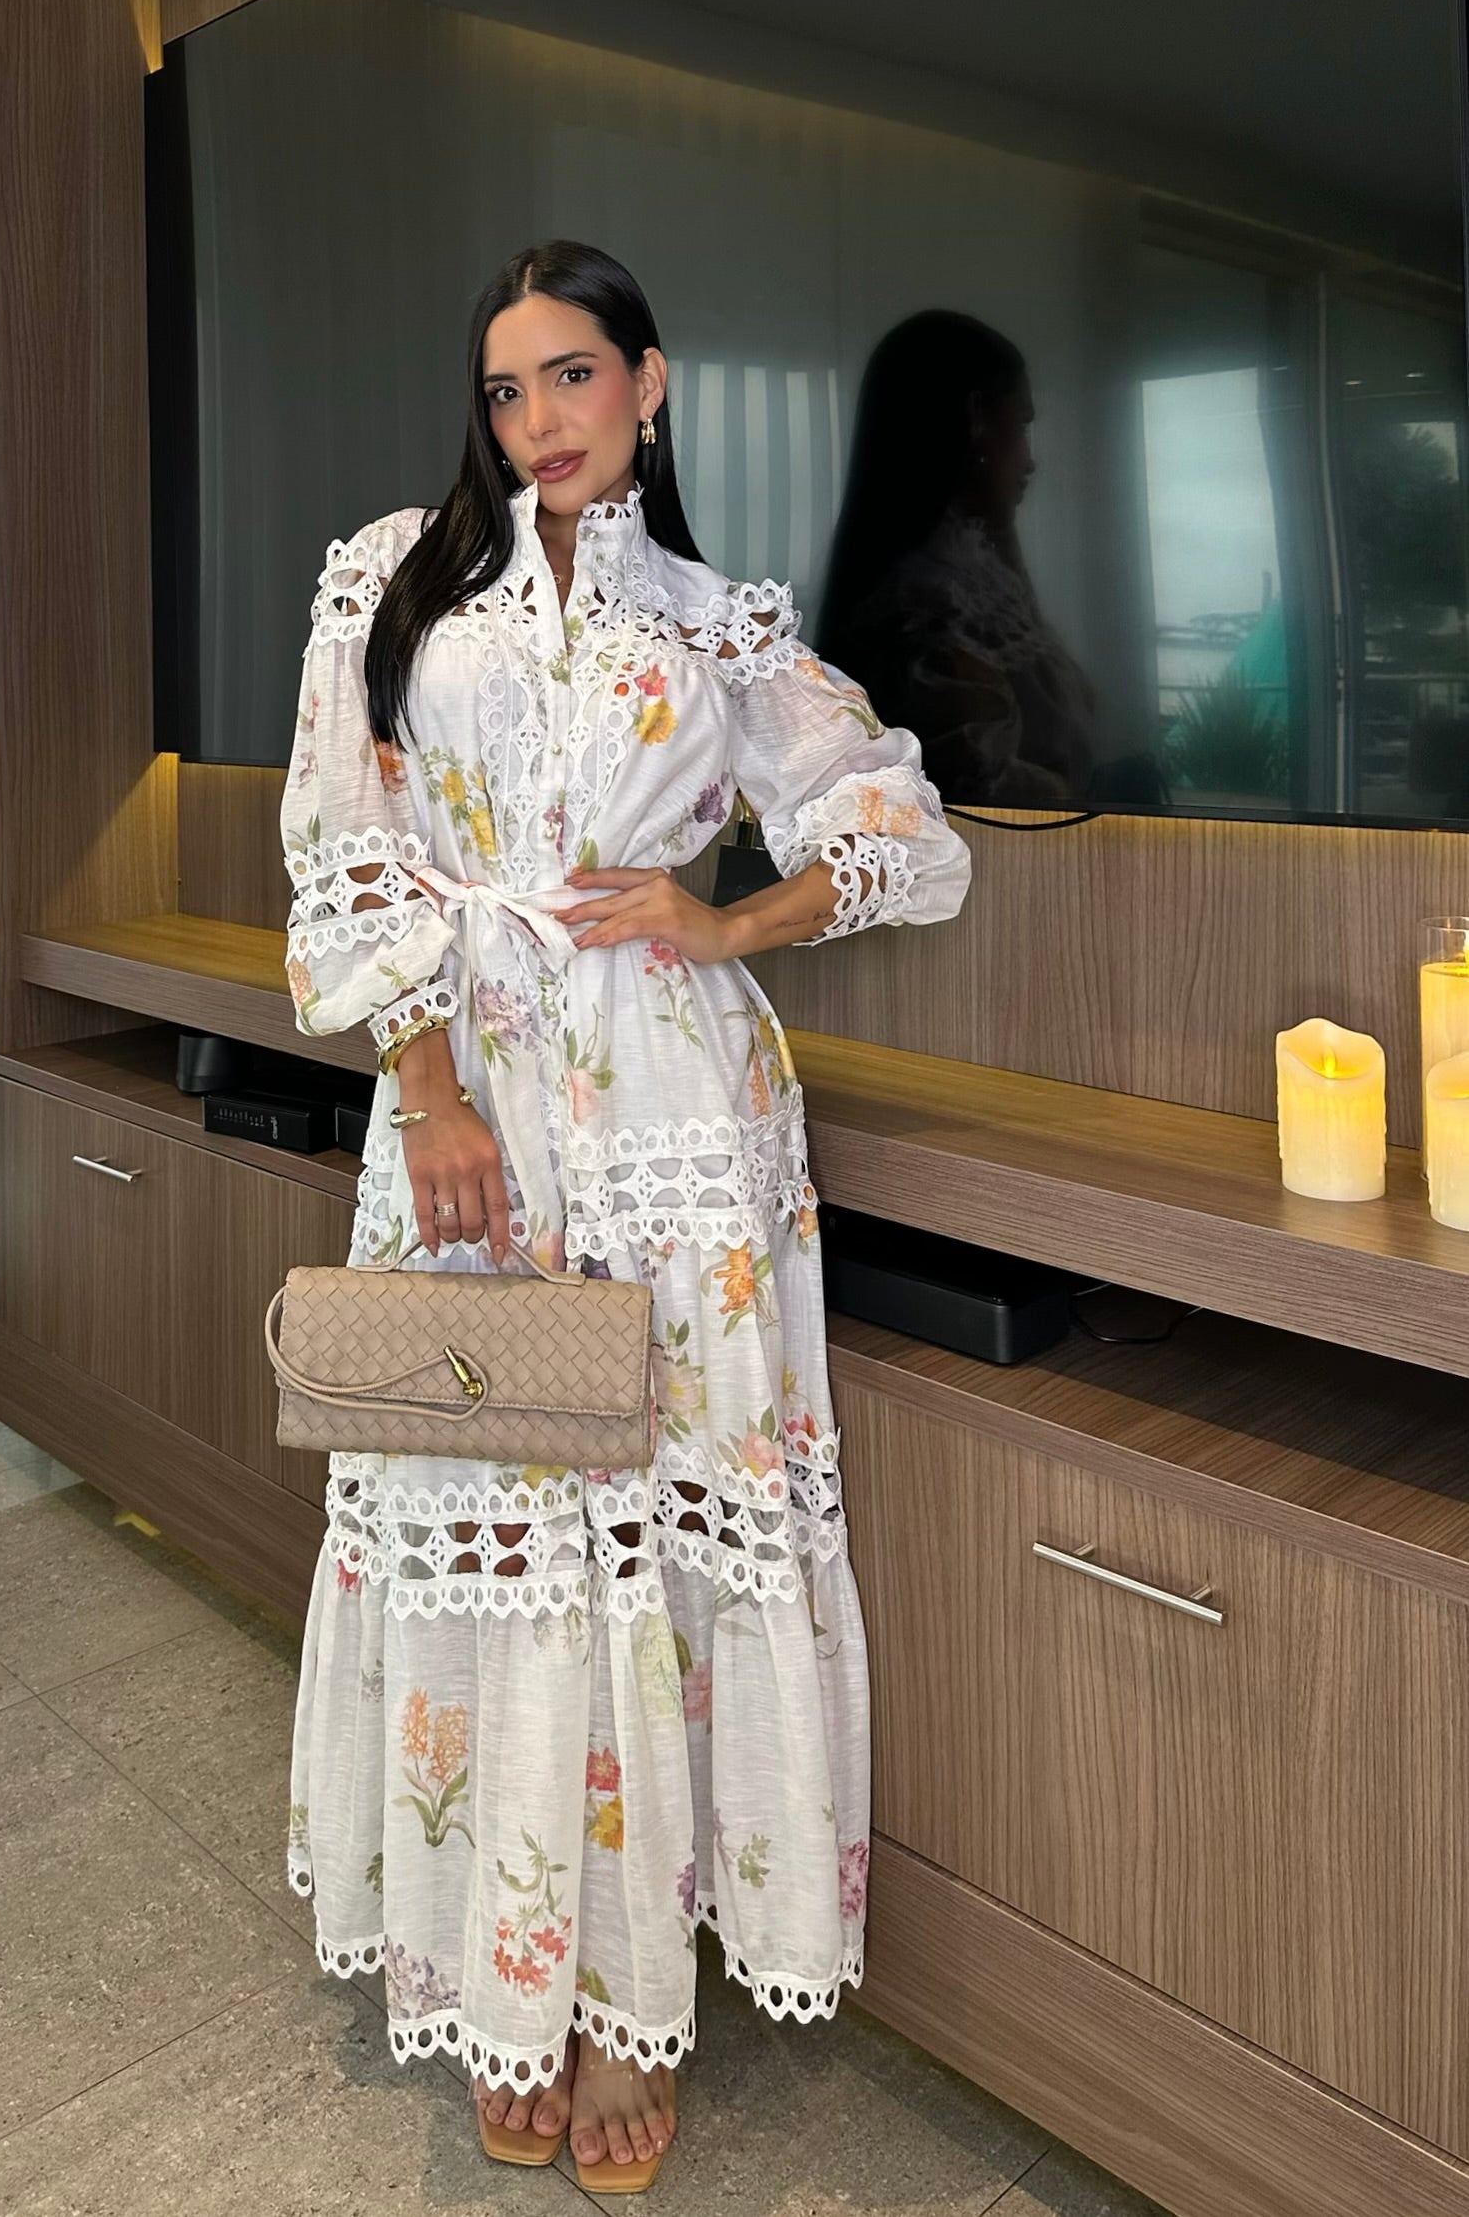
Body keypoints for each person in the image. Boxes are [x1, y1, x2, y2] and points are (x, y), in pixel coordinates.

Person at [279, 239, 970, 2191]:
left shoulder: (719, 624)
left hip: (682, 1127)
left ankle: (612, 2003)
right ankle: (504, 1971)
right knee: (489, 1510)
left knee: (656, 1535)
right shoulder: (395, 577)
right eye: (505, 388)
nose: (538, 419)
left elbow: (900, 823)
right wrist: (425, 1087)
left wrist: (729, 919)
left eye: (571, 374)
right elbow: (343, 840)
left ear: (649, 382)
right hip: (475, 1109)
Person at [817, 309, 1097, 808]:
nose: (1030, 461)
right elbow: (990, 793)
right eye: (1020, 426)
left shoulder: (972, 584)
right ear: (975, 419)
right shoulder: (926, 605)